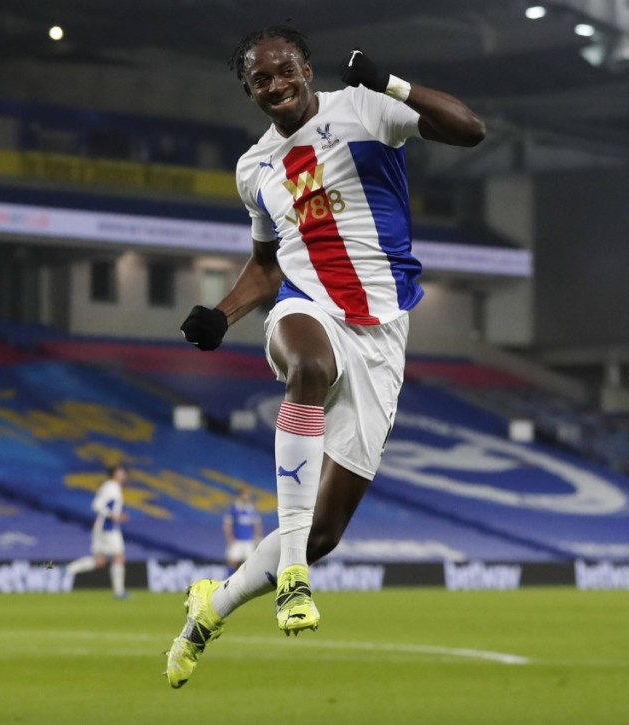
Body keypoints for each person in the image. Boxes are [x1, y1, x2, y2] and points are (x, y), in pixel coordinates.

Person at [165, 25, 485, 688]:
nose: (275, 85)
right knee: (309, 368)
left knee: (324, 532)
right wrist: (223, 314)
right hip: (308, 307)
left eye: (285, 70)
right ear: (249, 91)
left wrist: (389, 81)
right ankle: (292, 578)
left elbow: (469, 129)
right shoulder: (255, 168)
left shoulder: (365, 108)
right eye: (260, 80)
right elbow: (267, 263)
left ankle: (210, 608)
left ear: (307, 69)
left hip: (382, 332)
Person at [62, 464, 131, 599]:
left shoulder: (112, 486)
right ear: (115, 474)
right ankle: (119, 592)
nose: (124, 475)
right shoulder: (111, 487)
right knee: (119, 557)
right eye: (121, 472)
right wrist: (113, 516)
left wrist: (114, 515)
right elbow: (97, 505)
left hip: (103, 527)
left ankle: (68, 569)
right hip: (108, 527)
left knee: (100, 561)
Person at [224, 489, 263, 575]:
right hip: (237, 541)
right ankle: (227, 580)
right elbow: (227, 524)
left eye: (248, 496)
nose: (247, 497)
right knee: (232, 562)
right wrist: (230, 539)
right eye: (245, 495)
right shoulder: (234, 509)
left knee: (250, 565)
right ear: (240, 496)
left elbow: (257, 525)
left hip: (249, 542)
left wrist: (257, 539)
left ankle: (248, 582)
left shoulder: (252, 510)